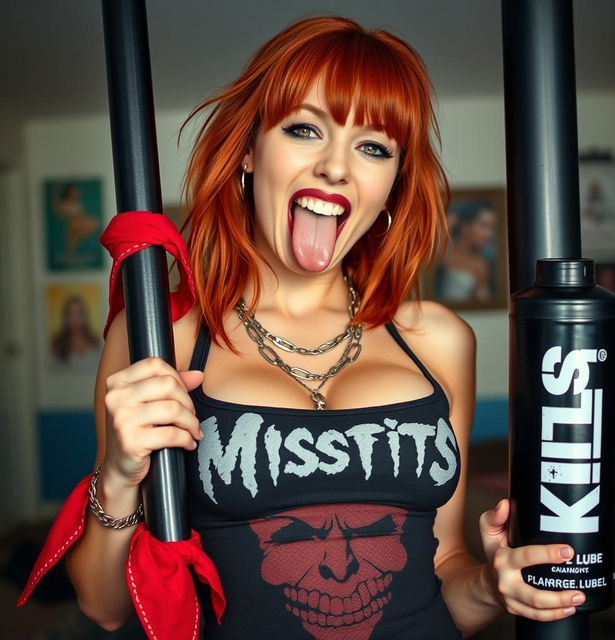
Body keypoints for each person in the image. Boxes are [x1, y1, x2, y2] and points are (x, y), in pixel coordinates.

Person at [65, 16, 586, 639]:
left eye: (373, 147)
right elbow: (104, 607)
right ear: (250, 151)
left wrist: (490, 585)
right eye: (305, 129)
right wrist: (121, 475)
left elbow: (441, 569)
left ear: (392, 183)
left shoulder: (438, 341)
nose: (336, 168)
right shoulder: (161, 335)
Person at [436, 200, 497, 303]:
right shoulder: (443, 252)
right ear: (465, 227)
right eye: (484, 226)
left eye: (492, 227)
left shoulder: (480, 264)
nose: (490, 234)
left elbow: (484, 304)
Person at [50, 294, 101, 370]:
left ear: (85, 315)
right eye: (71, 314)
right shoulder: (57, 344)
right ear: (66, 318)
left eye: (79, 313)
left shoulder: (96, 341)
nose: (75, 318)